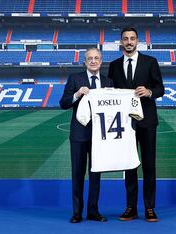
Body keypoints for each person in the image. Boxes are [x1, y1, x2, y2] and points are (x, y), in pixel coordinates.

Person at [108, 27, 164, 222]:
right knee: (129, 166)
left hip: (147, 121)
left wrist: (149, 92)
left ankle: (150, 207)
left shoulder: (150, 62)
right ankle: (130, 207)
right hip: (123, 123)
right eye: (125, 39)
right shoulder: (114, 65)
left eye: (132, 38)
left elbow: (160, 88)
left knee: (149, 165)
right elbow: (109, 92)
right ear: (121, 42)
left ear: (137, 41)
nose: (129, 42)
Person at [60, 48, 113, 223]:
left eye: (96, 58)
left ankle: (93, 211)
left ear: (101, 61)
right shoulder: (75, 79)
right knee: (77, 174)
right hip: (79, 134)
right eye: (89, 58)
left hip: (100, 136)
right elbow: (63, 103)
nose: (93, 61)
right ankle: (77, 212)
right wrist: (77, 94)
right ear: (84, 61)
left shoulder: (109, 82)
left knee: (96, 174)